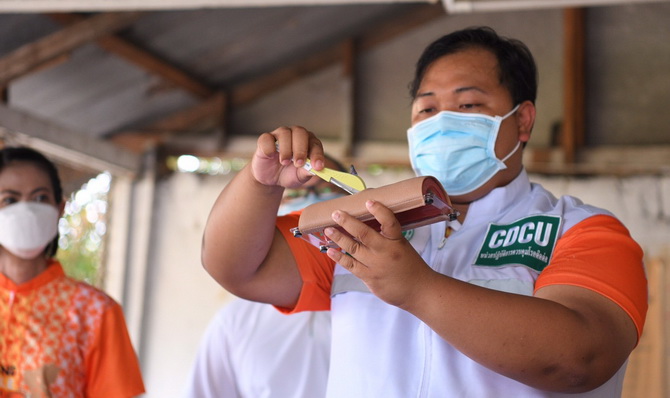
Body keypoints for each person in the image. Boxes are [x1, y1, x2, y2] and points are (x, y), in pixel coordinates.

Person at [200, 27, 647, 397]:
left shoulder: (579, 230)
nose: (442, 121)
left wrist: (418, 289)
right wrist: (260, 183)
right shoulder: (366, 220)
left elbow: (580, 360)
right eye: (427, 108)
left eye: (468, 105)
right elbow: (239, 267)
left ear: (523, 120)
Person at [183, 156, 348, 398]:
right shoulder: (235, 322)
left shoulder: (379, 291)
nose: (308, 201)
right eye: (295, 193)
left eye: (325, 189)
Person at [0, 146, 145, 398]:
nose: (27, 211)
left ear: (60, 208)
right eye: (10, 200)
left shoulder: (96, 312)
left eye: (40, 198)